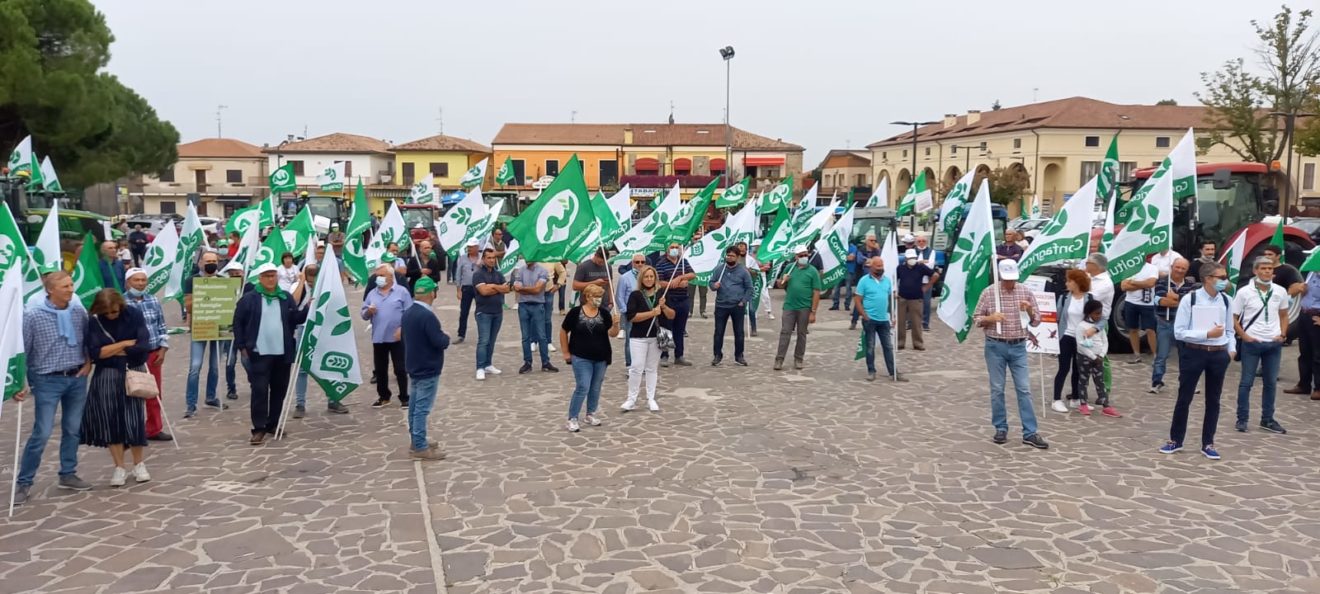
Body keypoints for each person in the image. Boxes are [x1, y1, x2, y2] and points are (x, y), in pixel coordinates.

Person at [12, 272, 94, 505]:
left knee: (72, 429)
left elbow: (88, 340)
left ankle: (68, 473)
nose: (71, 289)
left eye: (71, 285)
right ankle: (24, 482)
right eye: (65, 286)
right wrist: (20, 382)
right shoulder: (33, 316)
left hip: (76, 377)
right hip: (47, 380)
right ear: (50, 290)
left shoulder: (78, 311)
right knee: (42, 432)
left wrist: (88, 362)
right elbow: (23, 351)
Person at [972, 259, 1049, 449]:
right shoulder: (990, 292)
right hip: (995, 346)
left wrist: (1029, 310)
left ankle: (1030, 432)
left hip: (1018, 346)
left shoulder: (1025, 291)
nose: (1010, 283)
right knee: (997, 389)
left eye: (1013, 279)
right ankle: (1000, 427)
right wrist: (990, 318)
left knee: (1024, 388)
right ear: (1000, 276)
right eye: (1007, 279)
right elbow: (976, 319)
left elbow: (1037, 321)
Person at [82, 288, 153, 486]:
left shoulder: (134, 314)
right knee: (110, 419)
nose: (112, 315)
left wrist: (112, 350)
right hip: (107, 374)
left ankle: (139, 464)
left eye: (114, 311)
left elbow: (142, 346)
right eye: (107, 313)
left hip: (132, 371)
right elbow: (96, 353)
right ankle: (119, 466)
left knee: (134, 418)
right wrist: (124, 344)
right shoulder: (95, 321)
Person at [1164, 263, 1234, 460]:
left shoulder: (1227, 301)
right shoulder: (1190, 299)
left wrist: (1231, 349)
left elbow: (1230, 329)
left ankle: (1208, 442)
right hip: (1195, 352)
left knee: (1214, 400)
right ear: (1208, 278)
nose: (1224, 281)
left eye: (1225, 276)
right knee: (1184, 397)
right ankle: (1175, 439)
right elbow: (1179, 332)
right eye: (1220, 277)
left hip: (1219, 354)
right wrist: (1206, 334)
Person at [232, 263, 307, 445]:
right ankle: (259, 428)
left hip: (282, 353)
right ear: (260, 278)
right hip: (259, 353)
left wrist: (308, 310)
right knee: (259, 390)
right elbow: (238, 323)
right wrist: (242, 347)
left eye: (273, 275)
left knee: (279, 390)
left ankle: (273, 423)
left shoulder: (285, 298)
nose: (270, 279)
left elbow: (294, 318)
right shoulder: (249, 299)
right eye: (266, 276)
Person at [1233, 256, 1290, 434]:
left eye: (1270, 268)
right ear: (1255, 271)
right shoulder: (1244, 292)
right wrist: (1244, 336)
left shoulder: (1280, 291)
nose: (1267, 271)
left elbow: (1284, 315)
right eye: (1263, 268)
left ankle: (1267, 419)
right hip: (1252, 342)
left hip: (1273, 343)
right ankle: (1242, 419)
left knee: (1271, 383)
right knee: (1246, 383)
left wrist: (1283, 334)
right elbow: (1233, 317)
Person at [290, 263, 348, 418]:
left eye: (314, 279)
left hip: (323, 328)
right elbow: (293, 303)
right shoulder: (299, 285)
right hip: (304, 328)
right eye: (309, 279)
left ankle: (333, 399)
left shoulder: (326, 288)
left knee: (327, 364)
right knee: (302, 369)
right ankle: (300, 404)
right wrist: (302, 283)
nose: (312, 282)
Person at [401, 277, 449, 460]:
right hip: (428, 366)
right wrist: (446, 338)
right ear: (431, 293)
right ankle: (420, 446)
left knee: (414, 406)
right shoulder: (427, 316)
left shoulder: (409, 312)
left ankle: (416, 438)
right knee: (422, 408)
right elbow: (438, 341)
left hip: (414, 364)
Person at [560, 284, 620, 432]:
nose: (599, 300)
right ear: (587, 297)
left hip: (601, 356)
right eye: (596, 297)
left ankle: (590, 413)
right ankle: (572, 417)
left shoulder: (604, 313)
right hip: (581, 356)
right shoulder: (575, 313)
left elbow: (611, 333)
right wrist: (566, 352)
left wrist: (616, 325)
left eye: (601, 297)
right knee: (583, 386)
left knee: (595, 387)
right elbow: (563, 331)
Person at [123, 268, 171, 441]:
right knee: (132, 393)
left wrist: (163, 349)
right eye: (137, 280)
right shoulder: (121, 302)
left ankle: (154, 429)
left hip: (153, 353)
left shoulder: (153, 299)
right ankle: (131, 430)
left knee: (153, 392)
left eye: (143, 280)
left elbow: (161, 325)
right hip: (131, 356)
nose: (141, 283)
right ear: (128, 282)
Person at [183, 251, 231, 416]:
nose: (211, 263)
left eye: (214, 261)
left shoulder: (224, 281)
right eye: (207, 261)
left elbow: (230, 304)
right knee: (195, 367)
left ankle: (211, 397)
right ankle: (191, 404)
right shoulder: (192, 280)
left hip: (220, 326)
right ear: (200, 263)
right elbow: (188, 306)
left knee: (215, 366)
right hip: (200, 326)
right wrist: (205, 291)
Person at [362, 263, 413, 407]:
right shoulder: (372, 294)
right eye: (377, 276)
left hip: (397, 337)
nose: (378, 278)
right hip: (379, 336)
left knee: (400, 368)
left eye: (381, 275)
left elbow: (409, 313)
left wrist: (402, 328)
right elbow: (363, 314)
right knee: (380, 368)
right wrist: (368, 312)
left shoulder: (401, 292)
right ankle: (383, 396)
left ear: (390, 277)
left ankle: (404, 396)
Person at [623, 265, 673, 412]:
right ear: (641, 278)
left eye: (651, 276)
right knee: (636, 368)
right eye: (646, 276)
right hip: (638, 337)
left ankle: (651, 398)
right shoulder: (635, 295)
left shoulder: (662, 294)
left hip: (656, 337)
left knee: (652, 368)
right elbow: (632, 317)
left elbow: (671, 315)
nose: (649, 279)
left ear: (655, 278)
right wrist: (652, 312)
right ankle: (631, 399)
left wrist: (663, 308)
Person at [1151, 258, 1199, 393]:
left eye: (1183, 268)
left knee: (1186, 356)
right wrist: (1182, 299)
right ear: (1172, 267)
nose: (1180, 270)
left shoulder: (1191, 285)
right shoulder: (1161, 282)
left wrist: (1175, 297)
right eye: (1177, 267)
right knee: (1162, 355)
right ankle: (1156, 382)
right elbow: (1161, 301)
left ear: (1187, 270)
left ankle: (1186, 382)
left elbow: (1193, 302)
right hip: (1165, 322)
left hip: (1184, 326)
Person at [855, 256, 903, 382]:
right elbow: (858, 299)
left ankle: (893, 372)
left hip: (884, 319)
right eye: (877, 266)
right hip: (870, 319)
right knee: (870, 346)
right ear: (871, 267)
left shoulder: (887, 281)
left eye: (881, 266)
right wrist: (864, 315)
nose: (880, 269)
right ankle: (871, 370)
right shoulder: (864, 281)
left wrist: (893, 315)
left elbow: (889, 299)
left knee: (888, 346)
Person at [774, 246, 821, 371]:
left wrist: (813, 312)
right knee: (785, 332)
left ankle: (798, 358)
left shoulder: (813, 271)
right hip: (789, 305)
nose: (803, 258)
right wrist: (783, 280)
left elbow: (816, 292)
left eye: (805, 255)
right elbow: (779, 285)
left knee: (802, 333)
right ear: (796, 257)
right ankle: (779, 359)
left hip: (804, 307)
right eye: (801, 256)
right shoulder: (790, 268)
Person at [1052, 269, 1092, 412]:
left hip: (1081, 338)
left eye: (1069, 281)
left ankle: (1076, 397)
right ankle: (1056, 399)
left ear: (1077, 282)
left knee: (1078, 369)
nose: (1067, 283)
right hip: (1066, 336)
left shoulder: (1090, 299)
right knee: (1063, 368)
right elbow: (1057, 316)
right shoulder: (1064, 298)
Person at [513, 256, 558, 374]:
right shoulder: (521, 270)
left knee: (542, 335)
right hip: (523, 305)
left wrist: (523, 289)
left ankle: (545, 362)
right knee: (525, 337)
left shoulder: (542, 270)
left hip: (537, 305)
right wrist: (528, 289)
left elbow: (538, 290)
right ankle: (527, 362)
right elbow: (516, 288)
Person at [1076, 299, 1120, 417]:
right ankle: (1083, 404)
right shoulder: (1081, 326)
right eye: (1096, 313)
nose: (1099, 316)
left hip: (1099, 358)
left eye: (1100, 313)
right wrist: (1092, 356)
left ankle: (1105, 404)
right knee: (1084, 381)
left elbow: (1104, 341)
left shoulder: (1098, 327)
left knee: (1100, 382)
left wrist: (1101, 355)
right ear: (1089, 313)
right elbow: (1080, 345)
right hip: (1085, 358)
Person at [653, 242, 695, 366]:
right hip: (668, 299)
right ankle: (664, 355)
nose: (675, 249)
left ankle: (679, 355)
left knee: (680, 329)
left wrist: (681, 277)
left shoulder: (683, 262)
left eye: (677, 247)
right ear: (667, 249)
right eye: (672, 247)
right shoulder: (661, 263)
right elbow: (659, 282)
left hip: (683, 299)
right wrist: (674, 283)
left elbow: (692, 274)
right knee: (666, 329)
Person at [473, 248, 512, 380]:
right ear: (483, 259)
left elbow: (507, 289)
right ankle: (480, 367)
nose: (491, 260)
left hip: (497, 311)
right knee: (483, 340)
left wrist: (493, 286)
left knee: (492, 340)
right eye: (489, 258)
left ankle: (488, 364)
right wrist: (497, 287)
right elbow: (483, 291)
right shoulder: (478, 274)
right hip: (483, 312)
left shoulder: (498, 274)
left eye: (493, 257)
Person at [710, 246, 753, 366]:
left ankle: (739, 355)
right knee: (719, 332)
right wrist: (714, 286)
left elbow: (749, 288)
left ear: (738, 257)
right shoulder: (720, 269)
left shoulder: (743, 271)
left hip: (737, 305)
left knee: (739, 332)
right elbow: (711, 283)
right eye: (728, 255)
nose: (729, 258)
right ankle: (717, 355)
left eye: (732, 256)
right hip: (721, 305)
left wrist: (743, 301)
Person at [1287, 261, 1320, 400]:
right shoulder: (1312, 273)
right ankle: (1304, 384)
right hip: (1304, 314)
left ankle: (1318, 387)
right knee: (1304, 352)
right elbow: (1295, 292)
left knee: (1318, 355)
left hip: (1317, 315)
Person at [896, 249, 938, 350]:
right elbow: (894, 279)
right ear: (906, 259)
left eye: (914, 258)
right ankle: (900, 342)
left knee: (916, 322)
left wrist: (927, 286)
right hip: (902, 297)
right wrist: (895, 291)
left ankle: (918, 342)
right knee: (900, 322)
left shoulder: (920, 267)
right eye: (910, 258)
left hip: (916, 298)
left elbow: (935, 275)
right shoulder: (900, 268)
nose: (912, 260)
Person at [1085, 253, 1116, 390]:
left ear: (1096, 266)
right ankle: (1080, 389)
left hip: (1099, 323)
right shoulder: (1090, 278)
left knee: (1100, 356)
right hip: (1086, 321)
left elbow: (1090, 298)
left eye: (1088, 263)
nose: (1085, 265)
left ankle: (1105, 388)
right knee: (1083, 356)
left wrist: (1083, 284)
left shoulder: (1105, 283)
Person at [1120, 259, 1159, 363]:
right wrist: (1143, 284)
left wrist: (1133, 282)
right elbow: (1124, 286)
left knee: (1150, 330)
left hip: (1147, 304)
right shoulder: (1129, 268)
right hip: (1130, 303)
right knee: (1132, 329)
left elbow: (1151, 283)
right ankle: (1137, 355)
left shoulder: (1152, 268)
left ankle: (1155, 356)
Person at [615, 255, 645, 366]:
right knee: (630, 341)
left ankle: (641, 364)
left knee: (644, 341)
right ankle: (630, 364)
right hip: (631, 314)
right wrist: (625, 311)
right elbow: (619, 296)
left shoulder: (648, 276)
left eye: (642, 262)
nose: (640, 264)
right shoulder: (625, 277)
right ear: (632, 263)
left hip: (645, 314)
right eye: (637, 262)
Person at [849, 234, 882, 330]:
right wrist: (870, 261)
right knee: (859, 300)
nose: (873, 242)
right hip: (862, 278)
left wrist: (870, 261)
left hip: (875, 279)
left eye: (875, 240)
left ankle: (873, 320)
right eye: (871, 240)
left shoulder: (876, 251)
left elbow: (879, 261)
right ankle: (854, 321)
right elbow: (859, 260)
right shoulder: (861, 249)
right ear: (866, 241)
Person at [455, 239, 481, 343]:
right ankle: (461, 334)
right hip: (466, 287)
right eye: (468, 247)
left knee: (480, 312)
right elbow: (458, 273)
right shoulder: (463, 258)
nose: (469, 249)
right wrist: (458, 289)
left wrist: (482, 264)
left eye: (472, 247)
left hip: (479, 287)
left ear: (477, 248)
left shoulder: (482, 257)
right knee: (464, 312)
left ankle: (482, 333)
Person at [914, 234, 943, 329]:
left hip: (927, 280)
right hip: (915, 280)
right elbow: (912, 264)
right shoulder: (913, 251)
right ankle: (912, 323)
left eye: (923, 241)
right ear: (916, 242)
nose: (921, 243)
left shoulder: (931, 251)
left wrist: (919, 262)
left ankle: (925, 323)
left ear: (926, 242)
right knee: (912, 302)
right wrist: (923, 262)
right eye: (919, 241)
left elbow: (930, 265)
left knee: (926, 303)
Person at [831, 241, 859, 312]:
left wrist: (840, 257)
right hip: (839, 270)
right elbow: (834, 257)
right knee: (836, 288)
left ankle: (847, 305)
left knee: (848, 288)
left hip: (849, 270)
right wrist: (846, 257)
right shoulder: (839, 246)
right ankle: (835, 305)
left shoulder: (853, 247)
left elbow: (851, 258)